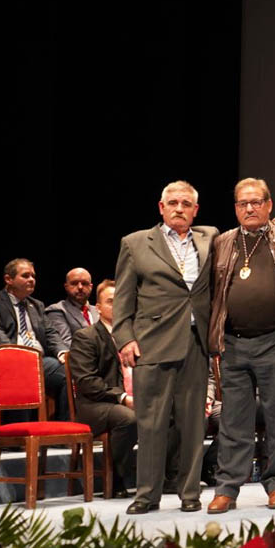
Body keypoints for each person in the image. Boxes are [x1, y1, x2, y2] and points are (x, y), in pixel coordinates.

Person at [114, 180, 217, 514]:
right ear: (161, 207)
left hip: (195, 342)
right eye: (172, 203)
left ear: (195, 210)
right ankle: (146, 495)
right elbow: (123, 298)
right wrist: (125, 338)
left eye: (186, 204)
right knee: (152, 424)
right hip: (152, 343)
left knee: (193, 425)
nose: (179, 209)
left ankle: (190, 494)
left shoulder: (210, 238)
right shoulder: (135, 243)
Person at [206, 178, 275, 514]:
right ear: (235, 208)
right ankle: (227, 489)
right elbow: (213, 293)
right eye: (242, 203)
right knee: (233, 420)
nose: (249, 208)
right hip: (233, 343)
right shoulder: (222, 243)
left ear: (269, 204)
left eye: (256, 202)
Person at [0, 258, 69, 420]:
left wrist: (62, 351)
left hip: (41, 361)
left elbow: (51, 333)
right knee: (20, 369)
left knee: (68, 370)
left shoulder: (36, 305)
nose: (31, 279)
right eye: (25, 276)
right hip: (10, 360)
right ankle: (18, 436)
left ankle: (64, 429)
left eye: (33, 276)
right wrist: (20, 356)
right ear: (8, 279)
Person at [68, 279, 135, 497]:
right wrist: (123, 397)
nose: (117, 306)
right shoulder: (86, 337)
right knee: (127, 418)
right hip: (96, 405)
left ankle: (169, 477)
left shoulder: (137, 337)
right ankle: (115, 479)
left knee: (173, 411)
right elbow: (87, 382)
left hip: (133, 398)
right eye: (110, 302)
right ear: (98, 307)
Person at [46, 268, 95, 348]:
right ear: (66, 286)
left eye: (84, 283)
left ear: (91, 287)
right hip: (79, 357)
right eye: (74, 283)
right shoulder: (57, 310)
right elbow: (66, 343)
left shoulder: (98, 311)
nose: (80, 287)